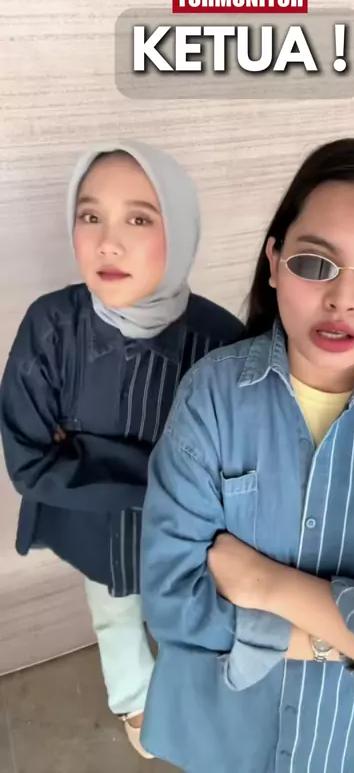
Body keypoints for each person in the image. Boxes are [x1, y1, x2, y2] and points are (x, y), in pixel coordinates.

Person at [139, 137, 354, 773]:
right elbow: (170, 601)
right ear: (274, 262)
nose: (344, 298)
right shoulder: (212, 395)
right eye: (316, 264)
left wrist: (265, 584)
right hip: (225, 739)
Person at [0, 142, 244, 758]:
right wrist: (168, 481)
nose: (108, 243)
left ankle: (194, 701)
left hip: (193, 541)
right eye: (91, 216)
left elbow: (239, 469)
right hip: (96, 533)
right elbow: (29, 460)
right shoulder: (52, 327)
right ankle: (135, 702)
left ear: (180, 227)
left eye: (139, 218)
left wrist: (87, 453)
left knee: (193, 618)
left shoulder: (221, 342)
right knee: (114, 615)